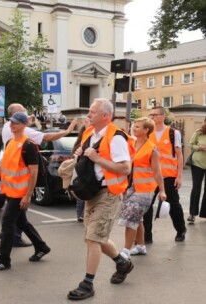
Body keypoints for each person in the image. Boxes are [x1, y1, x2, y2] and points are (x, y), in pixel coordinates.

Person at [67, 98, 133, 301]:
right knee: (94, 238)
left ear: (106, 116)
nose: (88, 115)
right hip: (90, 192)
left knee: (93, 239)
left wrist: (97, 159)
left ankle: (87, 284)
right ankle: (122, 263)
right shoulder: (89, 133)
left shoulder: (116, 137)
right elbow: (88, 157)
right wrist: (81, 154)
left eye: (93, 112)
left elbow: (125, 168)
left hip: (109, 193)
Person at [1, 103, 78, 247]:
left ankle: (30, 243)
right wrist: (67, 131)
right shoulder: (23, 133)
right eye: (22, 111)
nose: (26, 111)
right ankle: (16, 240)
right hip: (20, 178)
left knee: (15, 214)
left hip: (12, 179)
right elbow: (47, 137)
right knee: (16, 214)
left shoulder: (7, 127)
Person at [0, 111, 51, 272]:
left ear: (24, 125)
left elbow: (34, 172)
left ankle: (3, 260)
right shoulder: (10, 143)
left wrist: (28, 195)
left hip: (20, 193)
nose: (12, 125)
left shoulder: (28, 146)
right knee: (21, 221)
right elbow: (2, 165)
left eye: (16, 123)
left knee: (7, 223)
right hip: (10, 191)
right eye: (11, 122)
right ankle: (41, 246)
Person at [117, 117, 166, 259]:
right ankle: (140, 246)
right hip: (130, 187)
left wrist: (162, 190)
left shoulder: (152, 149)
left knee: (131, 218)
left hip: (145, 189)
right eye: (134, 125)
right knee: (138, 219)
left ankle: (125, 251)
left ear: (146, 130)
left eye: (138, 127)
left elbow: (157, 172)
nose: (134, 128)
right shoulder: (130, 143)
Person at [142, 106, 186, 243]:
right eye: (151, 115)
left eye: (154, 115)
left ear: (162, 116)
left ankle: (180, 230)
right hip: (150, 176)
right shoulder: (148, 133)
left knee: (173, 205)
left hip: (168, 176)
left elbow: (179, 155)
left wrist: (179, 176)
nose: (152, 117)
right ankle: (147, 236)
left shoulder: (173, 133)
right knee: (147, 206)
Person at [70, 119, 91, 222]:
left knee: (82, 192)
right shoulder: (82, 143)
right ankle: (81, 214)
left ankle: (80, 214)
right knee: (82, 193)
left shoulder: (80, 142)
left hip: (81, 172)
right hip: (82, 171)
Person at [187, 123, 206, 222]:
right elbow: (190, 144)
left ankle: (205, 213)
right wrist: (199, 147)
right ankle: (192, 214)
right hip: (197, 163)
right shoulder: (199, 132)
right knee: (196, 187)